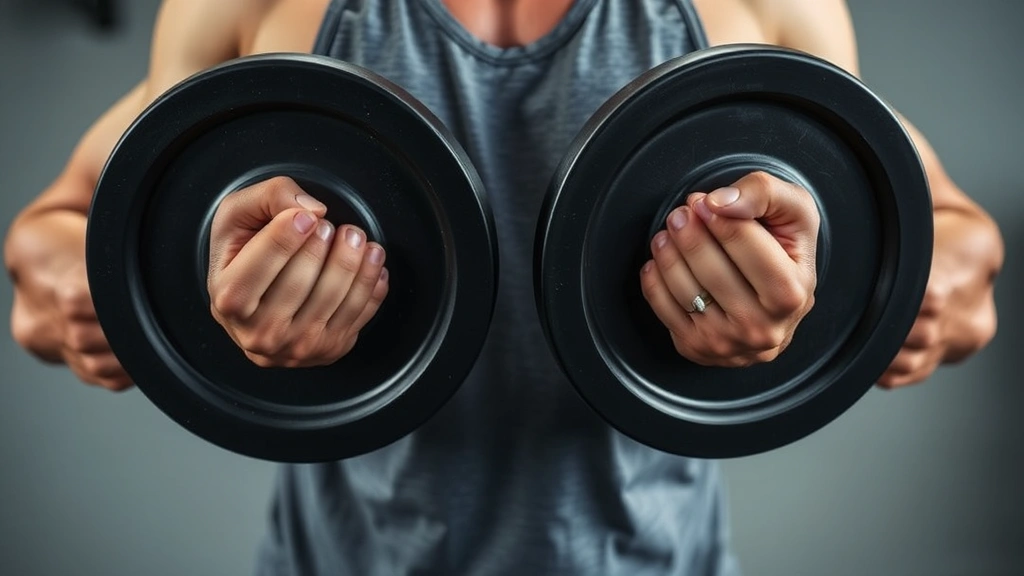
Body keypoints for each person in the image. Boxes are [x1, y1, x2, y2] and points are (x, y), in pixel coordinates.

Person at [4, 0, 1003, 574]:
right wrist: (88, 302)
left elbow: (942, 230)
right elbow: (64, 224)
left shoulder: (754, 5)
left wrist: (913, 304)